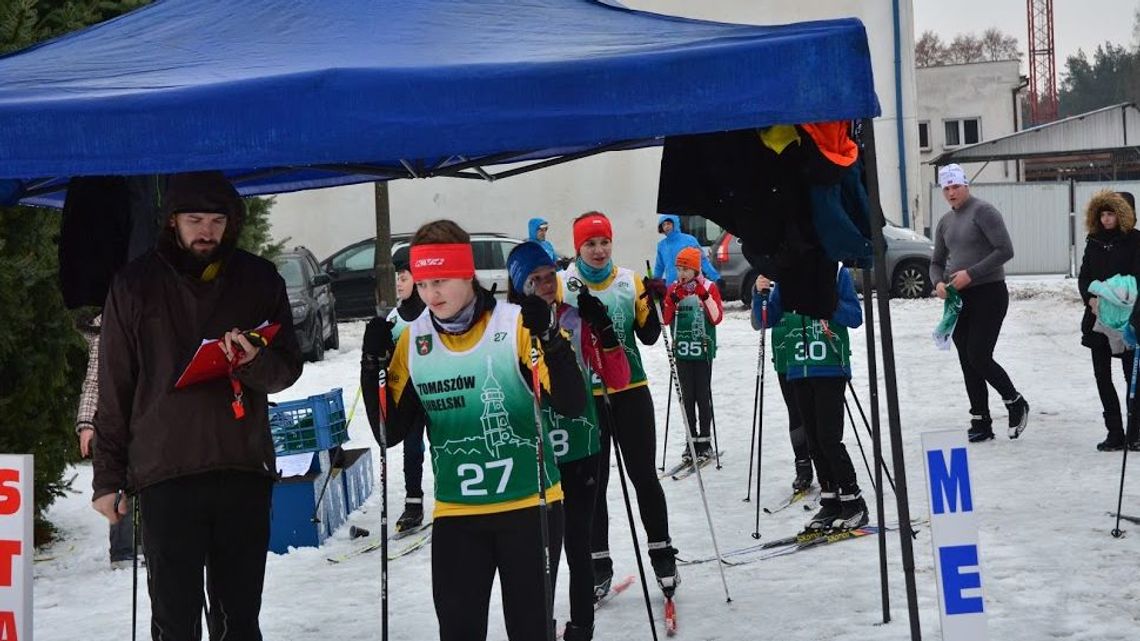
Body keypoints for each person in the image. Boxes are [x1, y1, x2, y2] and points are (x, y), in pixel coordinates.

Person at [93, 171, 304, 640]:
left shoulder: (259, 278)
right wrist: (108, 477)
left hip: (242, 465)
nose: (206, 231)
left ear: (232, 223)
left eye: (216, 220)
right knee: (174, 621)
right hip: (167, 472)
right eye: (194, 220)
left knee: (240, 620)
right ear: (172, 222)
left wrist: (252, 362)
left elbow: (287, 370)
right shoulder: (133, 285)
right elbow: (115, 389)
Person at [361, 220, 586, 641]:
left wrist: (551, 338)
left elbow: (572, 403)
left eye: (441, 280)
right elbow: (388, 432)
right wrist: (370, 365)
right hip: (458, 513)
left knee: (531, 630)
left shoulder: (515, 324)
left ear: (468, 274)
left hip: (529, 505)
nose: (432, 295)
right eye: (423, 283)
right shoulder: (413, 341)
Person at [506, 241, 630, 641]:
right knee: (538, 551)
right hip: (534, 452)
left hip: (580, 445)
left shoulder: (577, 317)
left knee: (578, 543)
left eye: (548, 277)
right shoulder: (507, 329)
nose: (544, 286)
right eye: (533, 280)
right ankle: (539, 625)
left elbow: (619, 378)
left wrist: (605, 330)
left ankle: (581, 627)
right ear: (517, 286)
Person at [561, 211, 677, 600]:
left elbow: (646, 336)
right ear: (578, 247)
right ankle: (598, 564)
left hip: (630, 390)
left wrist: (657, 303)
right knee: (593, 484)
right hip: (583, 396)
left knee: (644, 475)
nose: (598, 250)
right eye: (590, 244)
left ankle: (662, 553)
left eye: (604, 242)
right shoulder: (563, 285)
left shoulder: (630, 281)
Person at [752, 267, 867, 532]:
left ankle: (853, 501)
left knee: (829, 438)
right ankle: (830, 500)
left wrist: (827, 301)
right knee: (813, 440)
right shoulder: (787, 273)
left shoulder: (837, 272)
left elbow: (855, 317)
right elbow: (766, 319)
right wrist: (761, 295)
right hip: (798, 368)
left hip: (829, 365)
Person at [931, 163, 1029, 442]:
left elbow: (1005, 250)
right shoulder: (945, 222)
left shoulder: (983, 211)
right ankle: (980, 419)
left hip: (989, 292)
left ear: (966, 185)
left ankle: (1014, 401)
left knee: (978, 354)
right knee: (966, 359)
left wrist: (971, 274)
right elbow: (936, 262)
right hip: (959, 299)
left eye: (955, 186)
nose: (951, 193)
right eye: (946, 188)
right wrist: (938, 282)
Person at [1077, 190, 1140, 451]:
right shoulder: (1094, 240)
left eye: (1111, 213)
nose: (1106, 219)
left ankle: (1135, 432)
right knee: (1102, 376)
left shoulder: (1136, 241)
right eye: (1102, 214)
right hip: (1098, 319)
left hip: (1129, 319)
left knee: (1132, 376)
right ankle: (1114, 431)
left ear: (1125, 214)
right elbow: (1084, 276)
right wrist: (1089, 298)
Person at [75, 313, 139, 570]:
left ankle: (149, 544)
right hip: (117, 416)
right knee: (120, 479)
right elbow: (94, 380)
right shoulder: (107, 324)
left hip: (155, 414)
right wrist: (87, 424)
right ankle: (123, 551)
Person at [750, 279, 814, 492]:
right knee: (795, 414)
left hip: (812, 356)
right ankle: (803, 466)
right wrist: (759, 294)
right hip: (784, 358)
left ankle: (825, 465)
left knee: (816, 413)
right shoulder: (769, 278)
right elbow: (759, 322)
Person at [661, 247, 723, 464]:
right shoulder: (674, 288)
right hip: (683, 350)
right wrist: (669, 299)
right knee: (687, 397)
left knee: (702, 396)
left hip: (703, 350)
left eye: (686, 269)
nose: (682, 273)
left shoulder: (708, 286)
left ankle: (705, 442)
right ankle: (691, 441)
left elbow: (716, 318)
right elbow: (666, 319)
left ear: (695, 269)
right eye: (679, 269)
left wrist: (704, 296)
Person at [386, 260, 430, 530]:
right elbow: (389, 358)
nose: (398, 284)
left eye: (403, 278)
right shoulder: (394, 318)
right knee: (412, 448)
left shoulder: (431, 312)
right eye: (396, 279)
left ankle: (454, 496)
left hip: (436, 392)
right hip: (409, 396)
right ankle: (413, 504)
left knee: (442, 446)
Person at [652, 214, 720, 285]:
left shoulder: (689, 240)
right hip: (671, 287)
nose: (666, 227)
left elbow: (703, 260)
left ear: (675, 224)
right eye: (663, 225)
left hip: (690, 286)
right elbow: (659, 267)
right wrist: (655, 284)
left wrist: (716, 278)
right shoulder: (662, 245)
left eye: (668, 223)